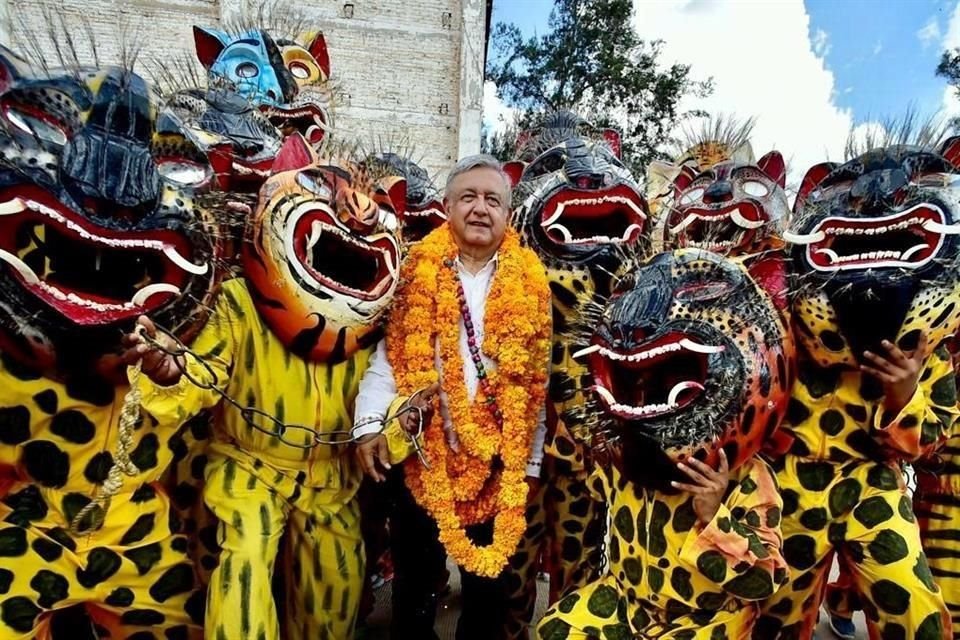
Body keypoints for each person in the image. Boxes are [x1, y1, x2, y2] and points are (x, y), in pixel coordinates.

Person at [123, 134, 408, 640]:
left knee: (335, 589)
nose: (354, 219)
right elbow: (200, 372)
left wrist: (401, 422)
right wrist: (171, 371)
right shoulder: (238, 303)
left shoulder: (377, 325)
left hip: (332, 476)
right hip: (249, 466)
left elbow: (389, 388)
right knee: (246, 563)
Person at [354, 154, 552, 640]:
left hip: (496, 471)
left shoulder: (532, 283)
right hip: (424, 459)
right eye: (468, 197)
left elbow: (535, 389)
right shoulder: (415, 272)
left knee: (487, 605)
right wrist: (367, 427)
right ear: (447, 206)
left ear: (508, 213)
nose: (480, 208)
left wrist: (526, 469)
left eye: (492, 199)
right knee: (413, 598)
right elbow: (388, 359)